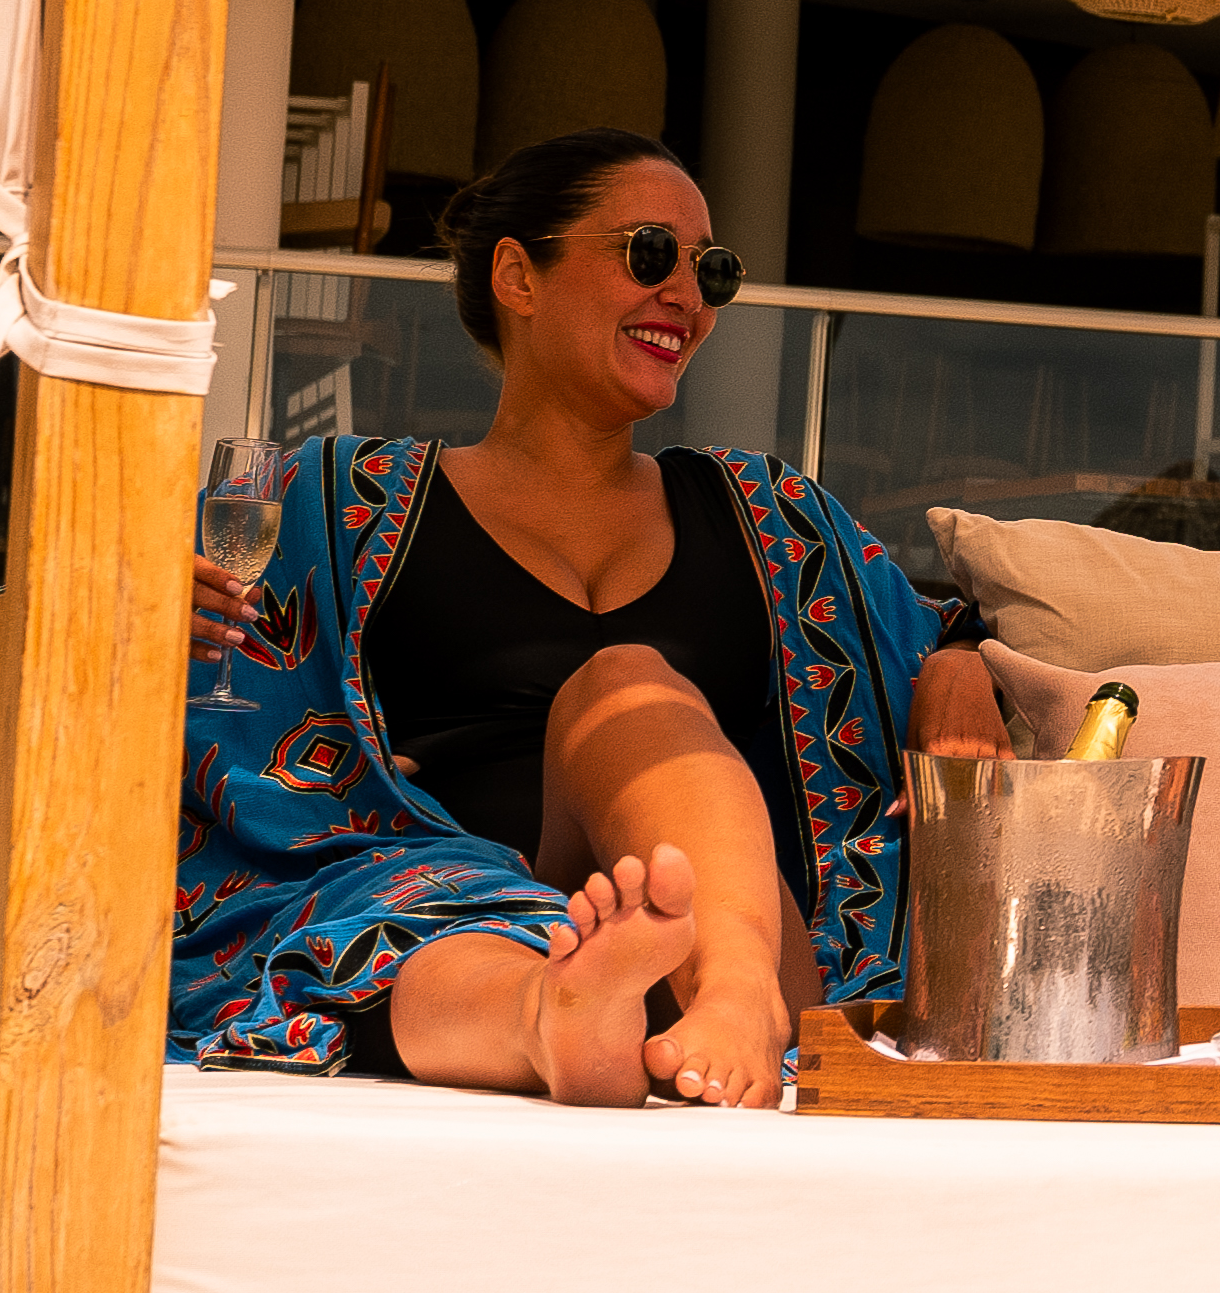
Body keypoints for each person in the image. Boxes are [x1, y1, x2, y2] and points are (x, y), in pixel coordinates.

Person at [176, 129, 985, 1099]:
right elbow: (168, 677)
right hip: (449, 928)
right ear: (518, 274)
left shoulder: (768, 513)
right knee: (430, 933)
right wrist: (142, 616)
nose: (685, 297)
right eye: (649, 253)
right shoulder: (333, 499)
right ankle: (551, 1017)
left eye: (710, 270)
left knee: (623, 681)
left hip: (727, 943)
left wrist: (958, 670)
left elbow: (938, 627)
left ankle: (732, 996)